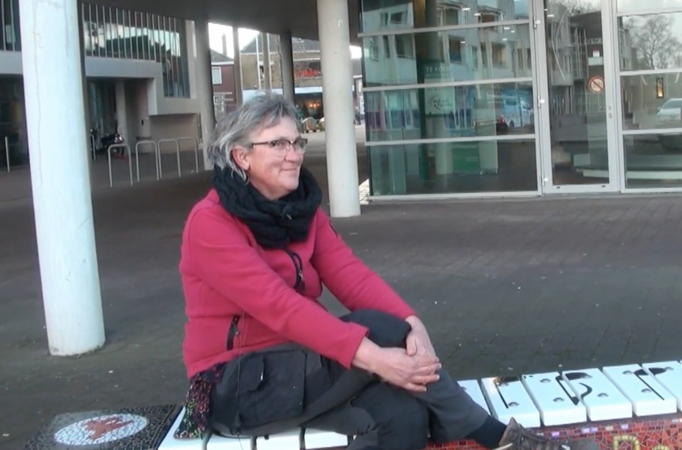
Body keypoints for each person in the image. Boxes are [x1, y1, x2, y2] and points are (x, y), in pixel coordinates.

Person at [176, 93, 595, 450]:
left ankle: (480, 430)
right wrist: (377, 358)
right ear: (241, 156)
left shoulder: (300, 210)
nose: (295, 154)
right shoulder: (210, 223)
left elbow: (350, 274)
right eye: (279, 144)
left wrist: (413, 323)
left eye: (297, 141)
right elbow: (279, 306)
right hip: (234, 384)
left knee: (404, 414)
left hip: (302, 370)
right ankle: (496, 437)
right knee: (376, 329)